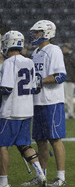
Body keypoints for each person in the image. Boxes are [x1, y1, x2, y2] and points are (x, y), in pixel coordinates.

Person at [0, 31, 47, 187]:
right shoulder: (29, 61)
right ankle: (40, 173)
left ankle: (4, 182)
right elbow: (35, 87)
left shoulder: (9, 63)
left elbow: (6, 88)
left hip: (11, 111)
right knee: (24, 144)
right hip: (27, 110)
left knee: (2, 145)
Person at [23, 20, 67, 186]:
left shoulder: (53, 50)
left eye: (38, 32)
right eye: (34, 32)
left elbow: (60, 76)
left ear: (47, 33)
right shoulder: (36, 52)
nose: (34, 35)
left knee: (55, 139)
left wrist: (40, 81)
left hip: (52, 101)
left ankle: (61, 177)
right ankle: (42, 176)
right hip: (38, 101)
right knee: (41, 140)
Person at [61, 43, 75, 119]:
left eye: (65, 47)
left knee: (69, 98)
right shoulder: (63, 56)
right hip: (63, 79)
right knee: (62, 98)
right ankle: (65, 113)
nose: (64, 49)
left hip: (69, 80)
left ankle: (70, 113)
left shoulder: (72, 57)